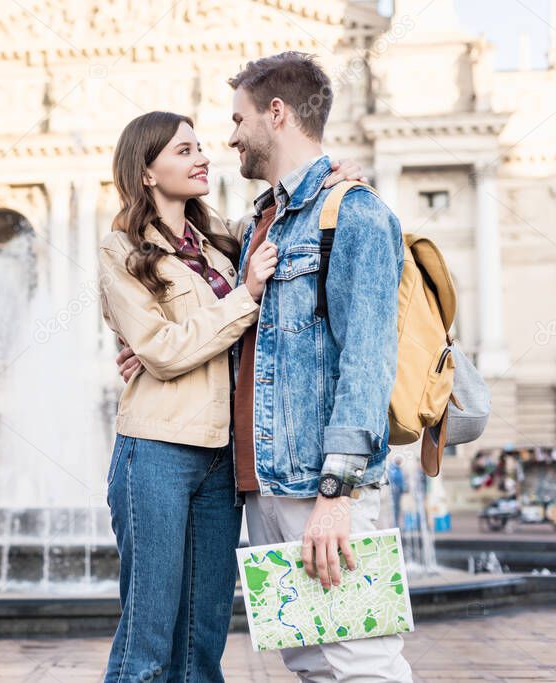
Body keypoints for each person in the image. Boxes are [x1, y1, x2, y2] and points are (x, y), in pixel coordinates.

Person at [99, 109, 367, 682]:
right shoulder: (119, 247)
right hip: (157, 450)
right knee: (147, 635)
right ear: (146, 172)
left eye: (200, 147)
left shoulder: (225, 236)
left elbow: (290, 226)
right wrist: (244, 296)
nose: (203, 157)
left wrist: (337, 178)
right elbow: (164, 350)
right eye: (184, 150)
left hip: (224, 456)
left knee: (202, 639)